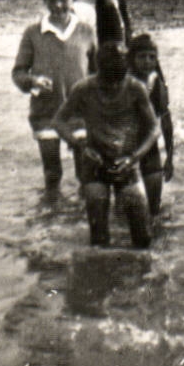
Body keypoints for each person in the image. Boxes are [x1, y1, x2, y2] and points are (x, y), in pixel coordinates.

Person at [53, 44, 158, 248]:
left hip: (127, 162)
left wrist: (135, 157)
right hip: (95, 165)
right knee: (99, 238)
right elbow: (58, 122)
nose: (112, 88)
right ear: (98, 72)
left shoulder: (135, 88)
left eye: (117, 84)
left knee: (143, 237)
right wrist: (79, 145)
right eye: (106, 84)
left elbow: (154, 128)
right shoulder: (83, 88)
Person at [11, 0, 99, 194]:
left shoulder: (86, 31)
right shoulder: (33, 33)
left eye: (63, 0)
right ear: (44, 1)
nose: (58, 6)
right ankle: (51, 220)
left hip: (80, 115)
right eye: (52, 0)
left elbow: (98, 74)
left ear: (73, 0)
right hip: (46, 113)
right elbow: (18, 73)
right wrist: (32, 81)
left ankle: (83, 222)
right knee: (52, 174)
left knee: (85, 175)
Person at [128, 33, 175, 215]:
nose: (147, 61)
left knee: (154, 208)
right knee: (127, 209)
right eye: (142, 57)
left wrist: (170, 158)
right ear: (131, 58)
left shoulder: (157, 84)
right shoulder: (122, 82)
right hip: (124, 146)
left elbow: (166, 121)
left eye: (152, 57)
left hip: (149, 147)